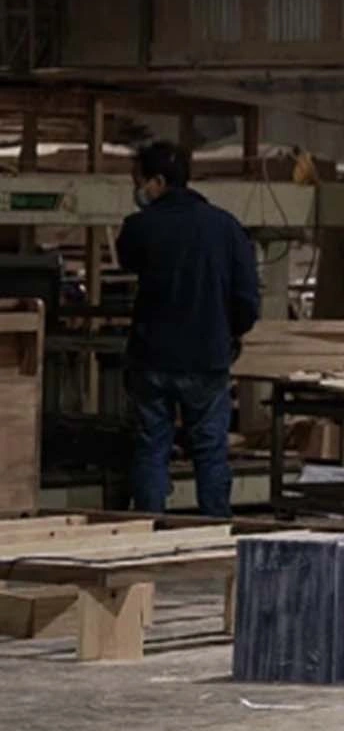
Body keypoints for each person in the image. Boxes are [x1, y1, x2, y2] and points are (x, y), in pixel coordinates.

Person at [118, 140, 260, 517]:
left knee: (152, 449)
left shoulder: (139, 227)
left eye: (140, 181)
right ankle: (214, 533)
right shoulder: (226, 228)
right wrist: (231, 334)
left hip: (151, 359)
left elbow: (127, 260)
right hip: (206, 358)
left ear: (158, 182)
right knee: (210, 452)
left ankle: (149, 532)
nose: (138, 190)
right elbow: (247, 298)